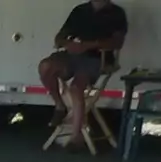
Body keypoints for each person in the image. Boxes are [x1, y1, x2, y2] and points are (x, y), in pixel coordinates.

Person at [39, 0, 127, 147]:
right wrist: (67, 43)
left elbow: (117, 43)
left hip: (98, 58)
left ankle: (76, 136)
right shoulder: (80, 10)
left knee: (76, 88)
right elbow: (60, 36)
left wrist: (88, 45)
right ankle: (59, 105)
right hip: (73, 55)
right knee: (45, 66)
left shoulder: (117, 13)